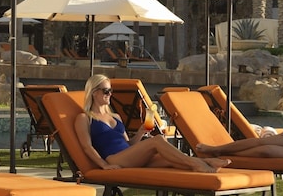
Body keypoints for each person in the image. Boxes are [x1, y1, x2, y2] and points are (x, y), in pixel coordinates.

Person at [74, 74, 229, 172]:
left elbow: (128, 144)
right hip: (114, 158)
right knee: (157, 140)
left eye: (111, 91)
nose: (110, 94)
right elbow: (87, 147)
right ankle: (201, 163)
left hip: (129, 155)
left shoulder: (116, 117)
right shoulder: (84, 118)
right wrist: (104, 165)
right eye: (106, 91)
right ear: (94, 93)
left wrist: (140, 132)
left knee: (170, 159)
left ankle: (205, 163)